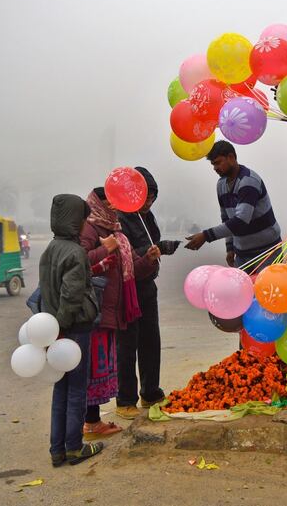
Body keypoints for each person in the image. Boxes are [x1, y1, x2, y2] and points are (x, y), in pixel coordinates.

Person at [80, 188, 160, 426]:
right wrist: (106, 249)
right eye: (108, 202)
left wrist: (148, 258)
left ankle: (98, 419)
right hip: (101, 304)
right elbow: (79, 261)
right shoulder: (89, 228)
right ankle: (108, 412)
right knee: (106, 360)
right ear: (97, 203)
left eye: (115, 202)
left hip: (124, 302)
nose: (113, 207)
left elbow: (132, 266)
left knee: (120, 354)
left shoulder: (116, 228)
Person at [38, 194, 103, 467]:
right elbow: (71, 295)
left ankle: (57, 450)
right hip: (73, 329)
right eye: (82, 217)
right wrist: (64, 328)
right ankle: (75, 448)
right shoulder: (75, 252)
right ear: (74, 220)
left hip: (53, 329)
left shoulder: (50, 248)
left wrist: (54, 329)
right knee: (77, 389)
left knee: (60, 388)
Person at [117, 167, 180, 412]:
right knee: (127, 345)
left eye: (153, 197)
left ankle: (151, 392)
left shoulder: (148, 216)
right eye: (145, 197)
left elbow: (150, 243)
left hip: (147, 287)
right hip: (127, 290)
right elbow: (127, 257)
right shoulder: (121, 219)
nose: (149, 202)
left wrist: (162, 248)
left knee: (150, 340)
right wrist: (150, 253)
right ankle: (126, 399)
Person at [184, 141, 282, 270]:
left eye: (218, 162)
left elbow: (240, 221)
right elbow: (227, 219)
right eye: (213, 164)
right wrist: (230, 248)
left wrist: (205, 236)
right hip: (242, 254)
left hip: (267, 252)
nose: (215, 168)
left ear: (231, 157)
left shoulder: (249, 181)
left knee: (268, 289)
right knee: (243, 289)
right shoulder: (221, 185)